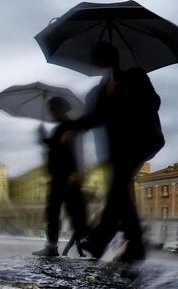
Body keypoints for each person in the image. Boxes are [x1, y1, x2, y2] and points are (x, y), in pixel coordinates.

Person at [66, 42, 165, 262]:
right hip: (117, 150)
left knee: (118, 184)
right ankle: (106, 240)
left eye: (97, 57)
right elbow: (93, 117)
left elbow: (154, 102)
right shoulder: (97, 91)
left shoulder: (135, 76)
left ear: (109, 59)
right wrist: (73, 129)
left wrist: (125, 92)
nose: (93, 62)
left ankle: (121, 240)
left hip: (142, 140)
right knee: (117, 188)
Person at [33, 97, 88, 257]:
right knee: (53, 212)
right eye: (51, 109)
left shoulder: (71, 126)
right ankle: (51, 246)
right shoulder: (58, 129)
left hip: (68, 175)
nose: (52, 112)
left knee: (74, 212)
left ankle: (94, 241)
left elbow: (78, 151)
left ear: (62, 108)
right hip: (57, 176)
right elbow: (53, 147)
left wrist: (77, 172)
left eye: (54, 109)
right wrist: (43, 137)